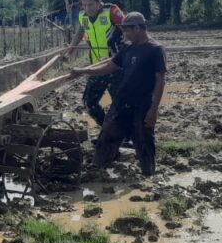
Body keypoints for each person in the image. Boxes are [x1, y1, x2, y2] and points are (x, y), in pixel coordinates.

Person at [70, 12, 165, 176]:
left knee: (144, 140)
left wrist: (154, 109)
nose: (124, 34)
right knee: (107, 134)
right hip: (121, 102)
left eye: (127, 30)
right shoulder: (127, 48)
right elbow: (109, 67)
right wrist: (84, 71)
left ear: (137, 28)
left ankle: (148, 174)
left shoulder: (155, 49)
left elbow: (160, 80)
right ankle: (98, 169)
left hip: (142, 104)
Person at [61, 0, 125, 126]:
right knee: (90, 102)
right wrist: (70, 51)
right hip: (96, 67)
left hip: (116, 66)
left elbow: (128, 32)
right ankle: (107, 131)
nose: (87, 8)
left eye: (90, 5)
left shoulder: (112, 11)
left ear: (98, 2)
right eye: (84, 5)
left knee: (120, 104)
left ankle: (125, 137)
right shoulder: (83, 16)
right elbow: (80, 32)